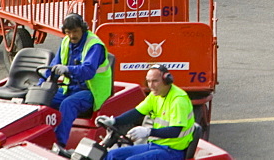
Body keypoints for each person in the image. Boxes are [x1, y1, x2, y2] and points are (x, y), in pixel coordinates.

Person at [96, 64, 194, 160]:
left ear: (166, 80)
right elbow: (136, 113)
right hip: (156, 145)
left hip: (172, 151)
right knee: (112, 155)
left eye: (155, 81)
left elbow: (175, 131)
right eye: (148, 81)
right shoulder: (155, 95)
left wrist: (148, 132)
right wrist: (113, 121)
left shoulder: (178, 100)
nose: (151, 85)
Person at [46, 13, 113, 153]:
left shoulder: (94, 45)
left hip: (91, 91)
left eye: (75, 31)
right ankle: (42, 139)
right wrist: (41, 84)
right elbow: (53, 65)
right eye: (68, 32)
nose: (72, 36)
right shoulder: (65, 42)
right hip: (69, 88)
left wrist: (68, 69)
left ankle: (59, 145)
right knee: (44, 98)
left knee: (68, 104)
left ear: (83, 29)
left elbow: (87, 71)